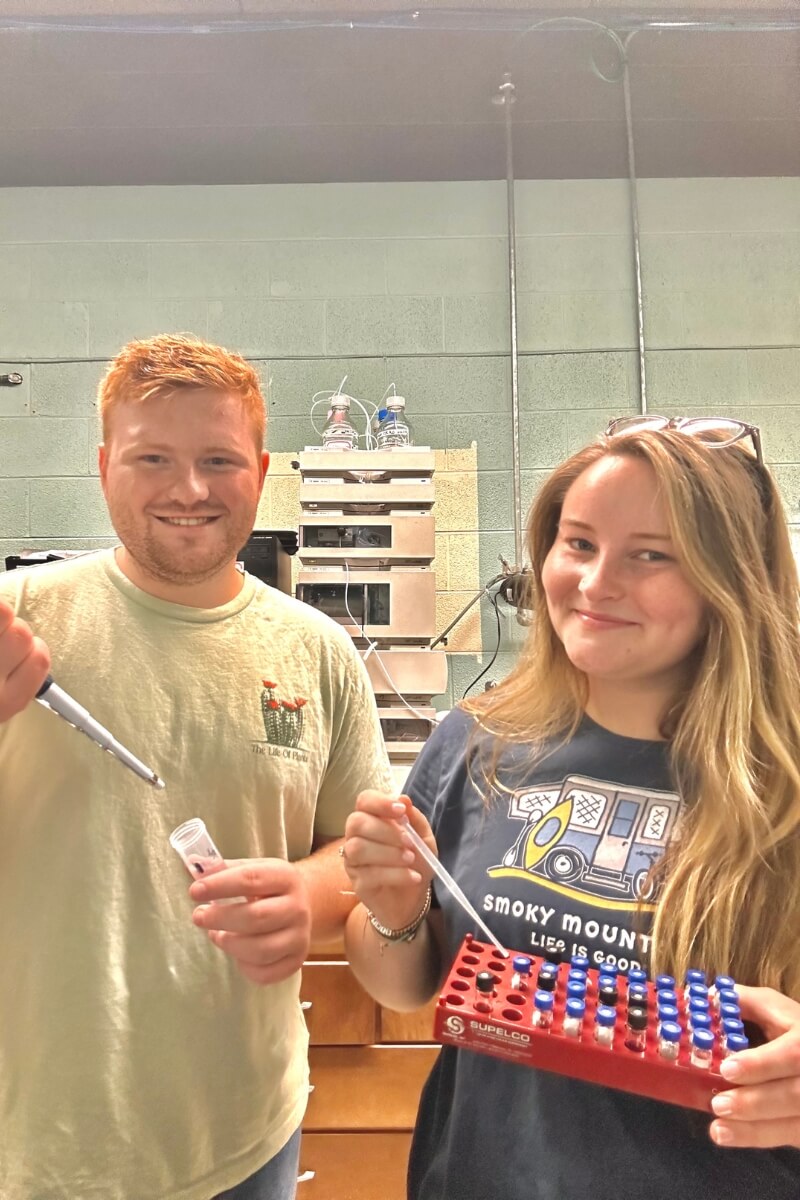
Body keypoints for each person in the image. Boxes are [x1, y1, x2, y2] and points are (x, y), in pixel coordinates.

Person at [342, 414, 800, 1199]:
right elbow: (405, 986)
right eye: (579, 544)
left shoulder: (782, 778)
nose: (594, 583)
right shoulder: (478, 739)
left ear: (730, 578)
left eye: (651, 556)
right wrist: (394, 911)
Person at [0, 333, 392, 1200]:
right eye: (153, 459)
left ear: (259, 468)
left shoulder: (318, 652)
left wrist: (311, 895)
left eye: (218, 459)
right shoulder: (19, 619)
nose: (189, 490)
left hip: (241, 1139)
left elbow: (359, 856)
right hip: (32, 1145)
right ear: (105, 466)